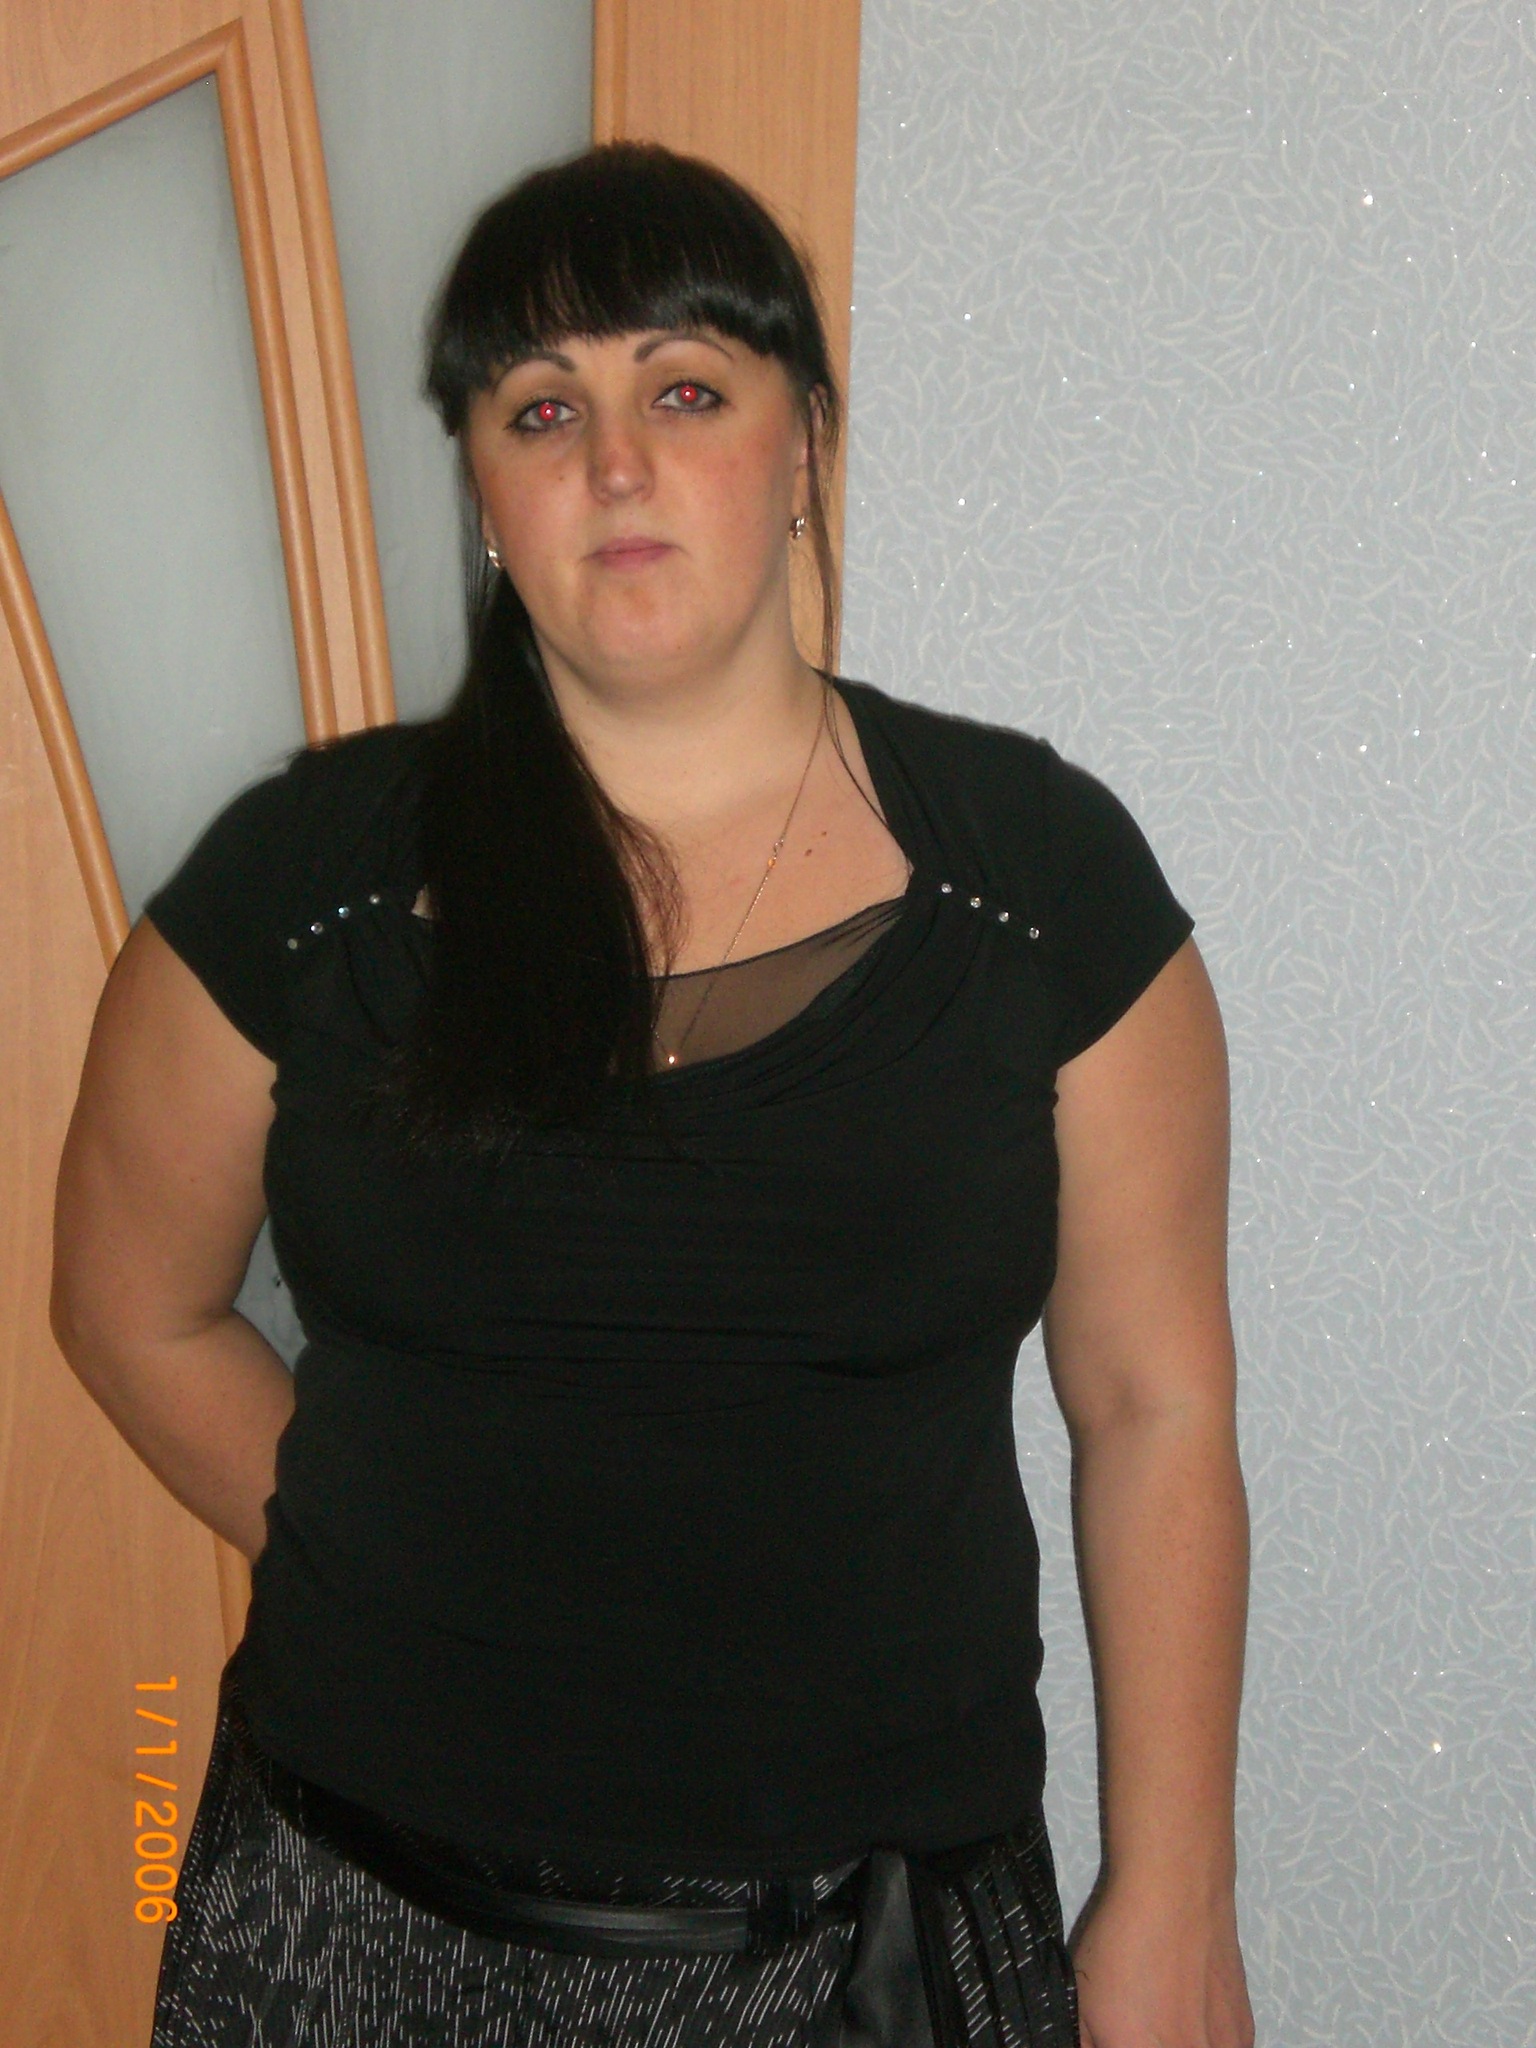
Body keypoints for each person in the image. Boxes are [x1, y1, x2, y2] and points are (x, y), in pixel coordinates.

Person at [52, 141, 1254, 2048]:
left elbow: (1157, 1403)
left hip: (872, 1959)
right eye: (544, 410)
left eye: (684, 390)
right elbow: (129, 1305)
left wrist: (1175, 1900)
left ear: (805, 448)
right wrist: (400, 1550)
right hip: (349, 1932)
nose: (615, 463)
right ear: (484, 487)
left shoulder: (1039, 883)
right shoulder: (306, 884)